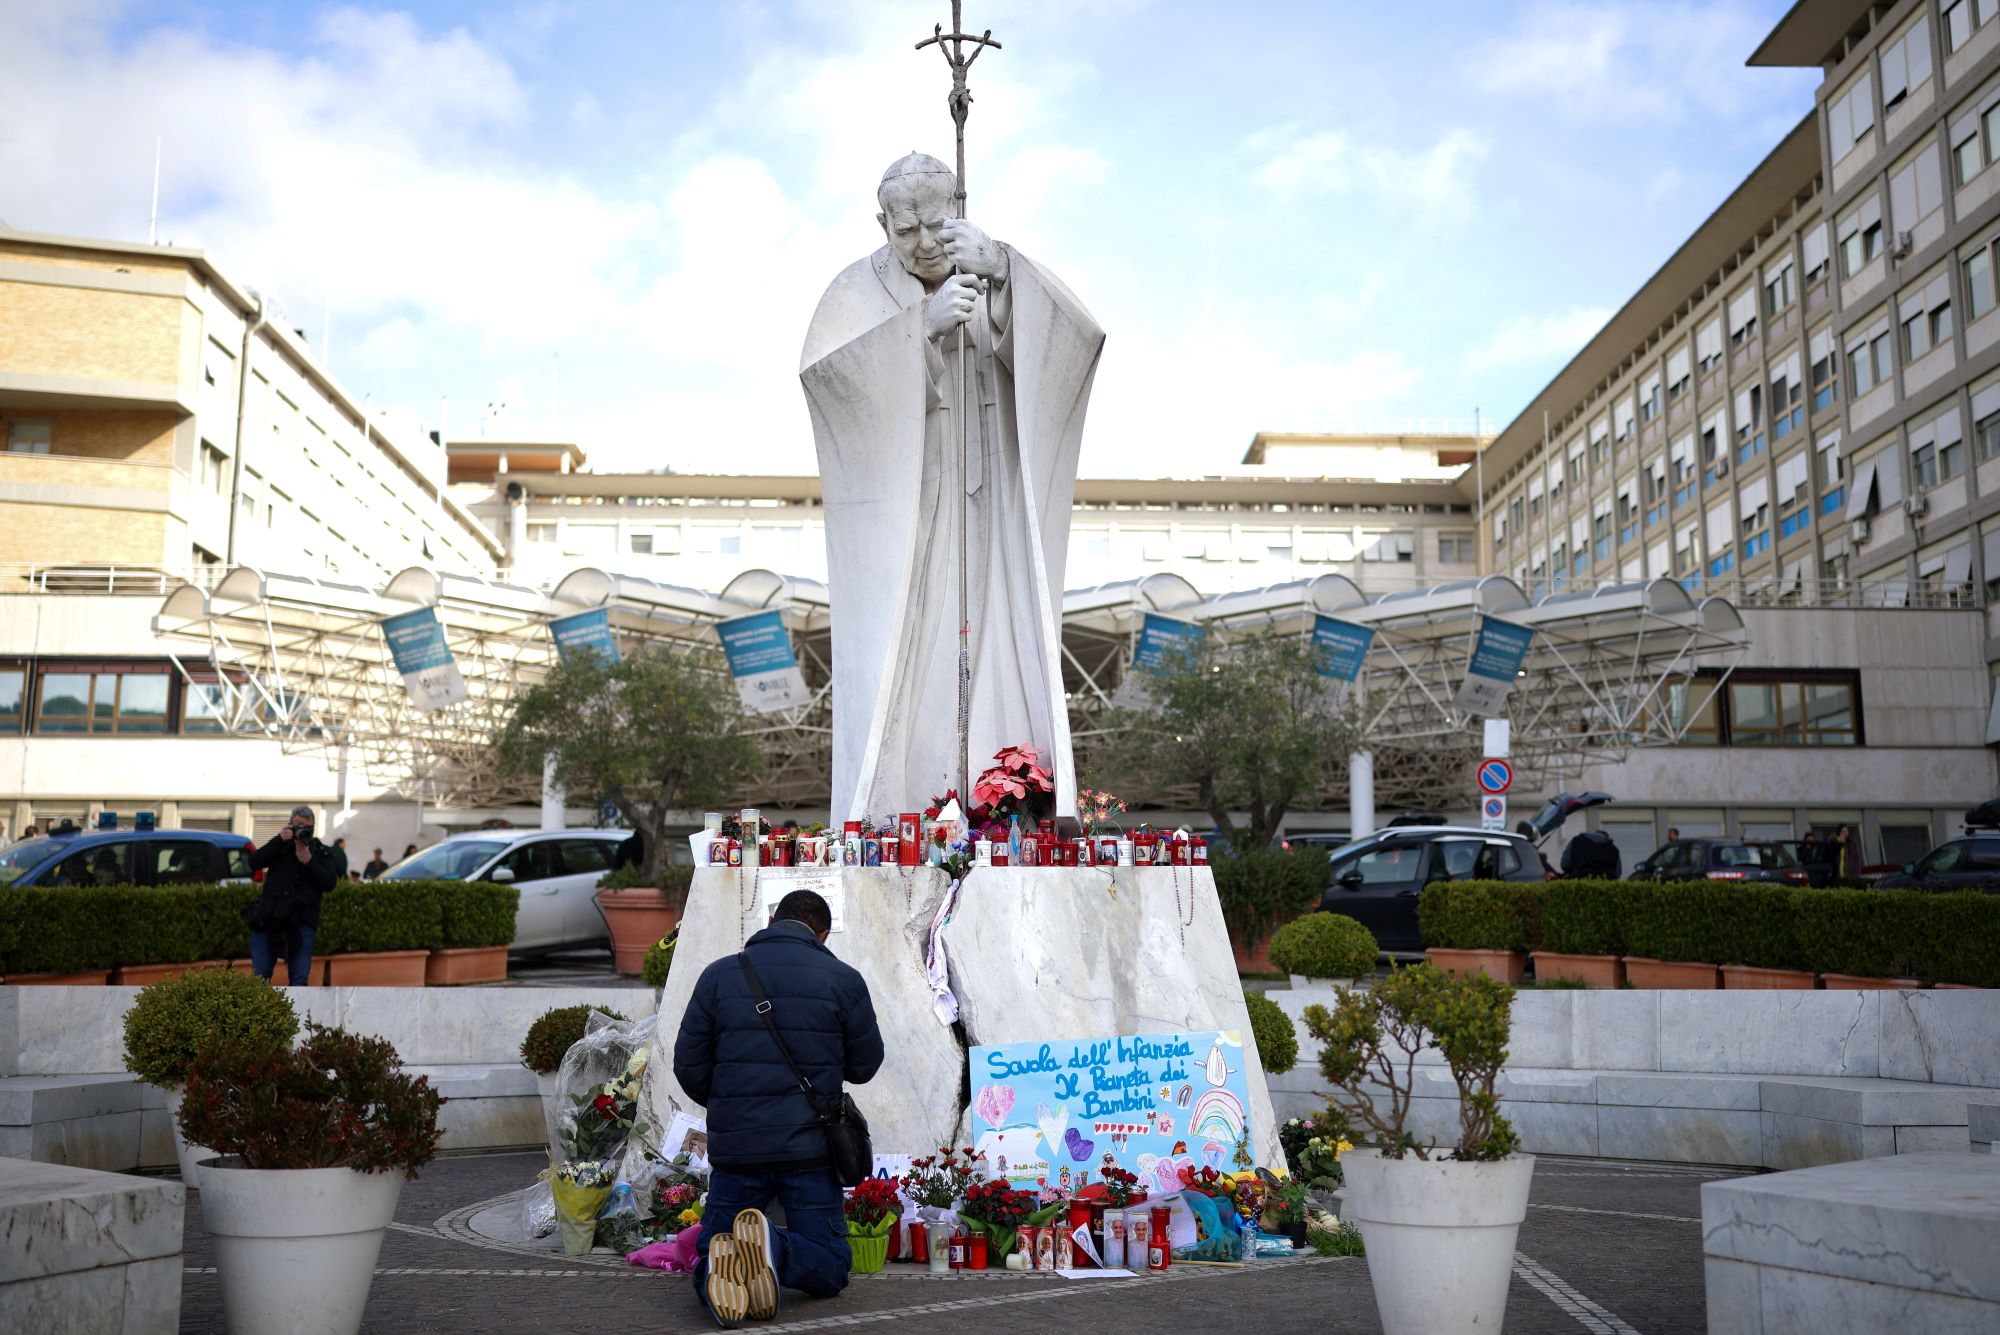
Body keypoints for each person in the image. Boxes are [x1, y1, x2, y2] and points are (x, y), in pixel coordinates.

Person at [674, 889, 884, 1325]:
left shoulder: (718, 976)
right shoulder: (842, 979)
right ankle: (775, 1248)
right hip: (808, 1152)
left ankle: (734, 1266)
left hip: (737, 1153)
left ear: (770, 924)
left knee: (713, 1256)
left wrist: (729, 1106)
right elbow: (865, 1067)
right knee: (830, 1268)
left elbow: (688, 1065)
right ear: (822, 935)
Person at [246, 807, 336, 985]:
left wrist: (309, 861)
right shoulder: (280, 847)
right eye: (298, 826)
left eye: (307, 827)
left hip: (301, 921)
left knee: (299, 979)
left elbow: (329, 883)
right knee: (260, 977)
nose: (302, 830)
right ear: (289, 825)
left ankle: (297, 1013)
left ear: (314, 828)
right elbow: (254, 862)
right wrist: (279, 839)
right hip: (269, 918)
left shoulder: (320, 852)